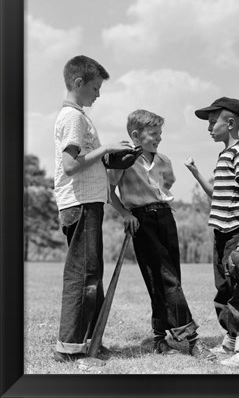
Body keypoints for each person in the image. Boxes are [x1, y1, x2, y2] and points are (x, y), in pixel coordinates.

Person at [108, 109, 215, 361]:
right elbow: (109, 192)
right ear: (136, 135)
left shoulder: (164, 161)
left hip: (166, 217)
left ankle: (159, 338)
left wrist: (159, 204)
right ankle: (191, 340)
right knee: (165, 279)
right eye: (153, 134)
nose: (159, 138)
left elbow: (167, 184)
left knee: (168, 276)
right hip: (141, 220)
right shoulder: (123, 160)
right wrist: (126, 214)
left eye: (160, 134)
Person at [53, 55, 133, 365]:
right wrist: (108, 148)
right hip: (80, 204)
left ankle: (91, 341)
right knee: (83, 276)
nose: (98, 94)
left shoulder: (78, 117)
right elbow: (71, 165)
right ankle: (70, 348)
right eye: (96, 88)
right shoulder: (73, 118)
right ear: (78, 83)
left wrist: (111, 160)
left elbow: (87, 164)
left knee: (91, 275)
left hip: (88, 203)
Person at [185, 96, 239, 368]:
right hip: (221, 231)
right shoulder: (224, 155)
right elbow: (217, 194)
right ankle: (231, 341)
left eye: (212, 122)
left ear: (229, 123)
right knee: (224, 288)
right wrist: (196, 173)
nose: (208, 127)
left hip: (236, 232)